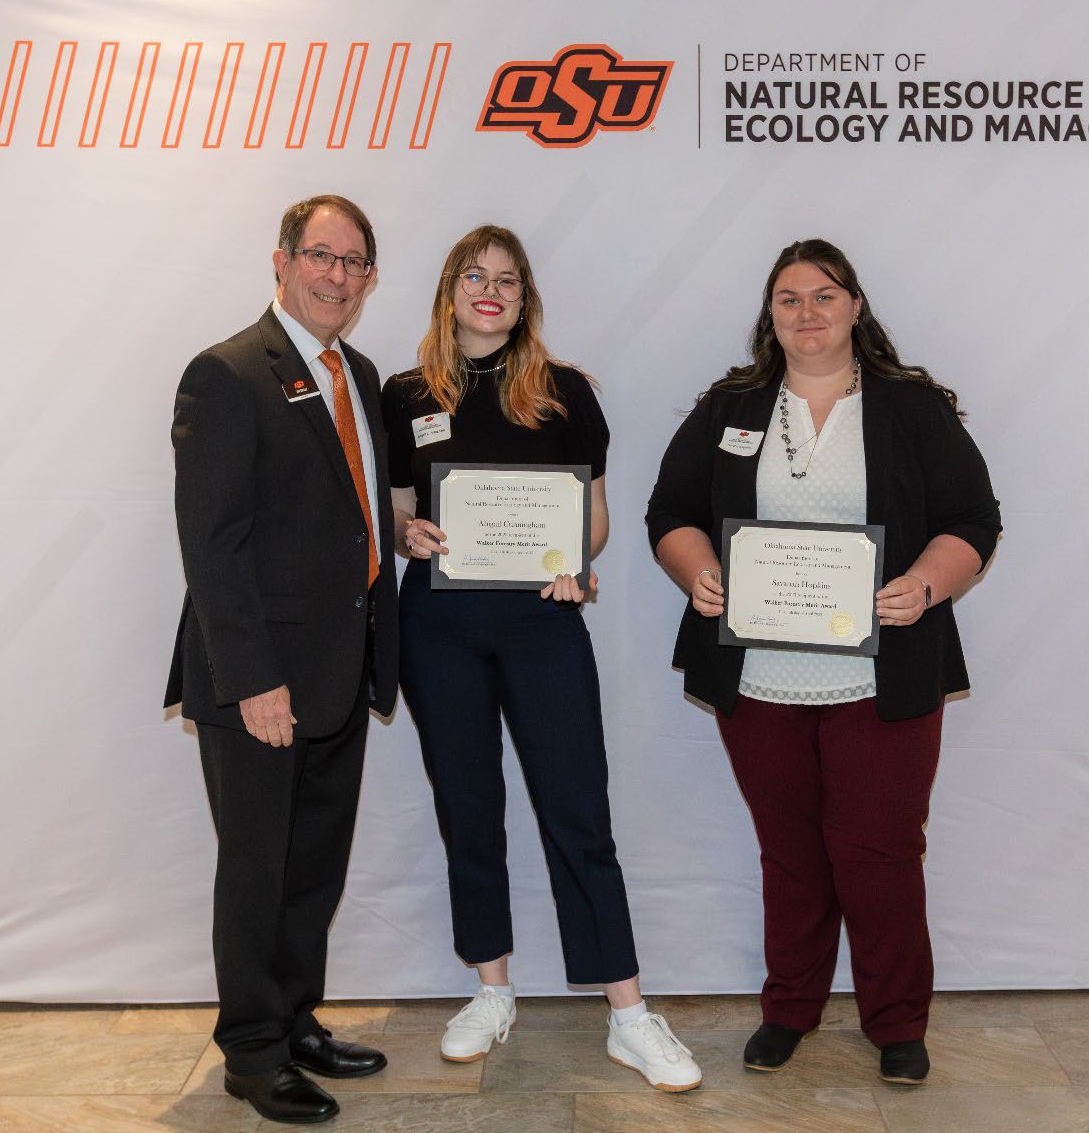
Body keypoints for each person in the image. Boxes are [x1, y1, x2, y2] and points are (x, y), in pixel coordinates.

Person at [646, 239, 1001, 1086]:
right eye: (788, 299)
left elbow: (973, 519)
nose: (807, 313)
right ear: (768, 316)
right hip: (759, 676)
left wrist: (922, 584)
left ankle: (896, 1022)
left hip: (883, 675)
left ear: (855, 308)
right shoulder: (730, 406)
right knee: (790, 851)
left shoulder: (911, 407)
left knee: (877, 852)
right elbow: (671, 511)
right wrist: (696, 571)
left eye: (824, 296)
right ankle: (789, 1009)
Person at [381, 224, 701, 1093]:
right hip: (437, 628)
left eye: (509, 282)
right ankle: (491, 991)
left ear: (526, 300)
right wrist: (408, 531)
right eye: (476, 277)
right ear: (449, 290)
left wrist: (576, 565)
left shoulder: (564, 392)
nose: (491, 292)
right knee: (468, 807)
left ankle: (629, 1014)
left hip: (542, 623)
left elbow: (591, 515)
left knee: (576, 811)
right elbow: (402, 510)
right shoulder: (404, 392)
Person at [166, 195, 397, 1125]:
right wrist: (253, 679)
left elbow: (345, 514)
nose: (336, 276)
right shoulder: (226, 374)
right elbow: (211, 545)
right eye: (320, 256)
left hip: (342, 668)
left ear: (371, 279)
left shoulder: (361, 373)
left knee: (313, 866)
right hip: (260, 683)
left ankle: (296, 1018)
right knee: (257, 871)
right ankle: (252, 1054)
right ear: (281, 262)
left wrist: (399, 535)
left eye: (354, 263)